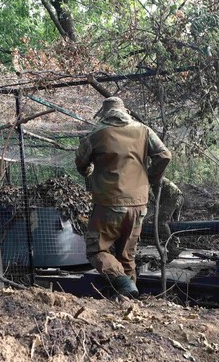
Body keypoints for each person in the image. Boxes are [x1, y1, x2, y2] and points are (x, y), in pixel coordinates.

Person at [75, 97, 171, 298]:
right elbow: (164, 155)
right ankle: (129, 301)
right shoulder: (144, 130)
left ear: (104, 113)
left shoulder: (96, 133)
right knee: (127, 255)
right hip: (138, 203)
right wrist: (150, 177)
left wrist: (88, 170)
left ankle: (124, 284)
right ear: (125, 111)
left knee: (96, 250)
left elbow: (81, 163)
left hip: (109, 202)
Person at [149, 177, 184, 262]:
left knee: (161, 222)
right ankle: (175, 248)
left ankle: (172, 249)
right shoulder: (158, 177)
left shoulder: (152, 179)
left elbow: (154, 200)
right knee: (173, 224)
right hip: (179, 197)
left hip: (172, 197)